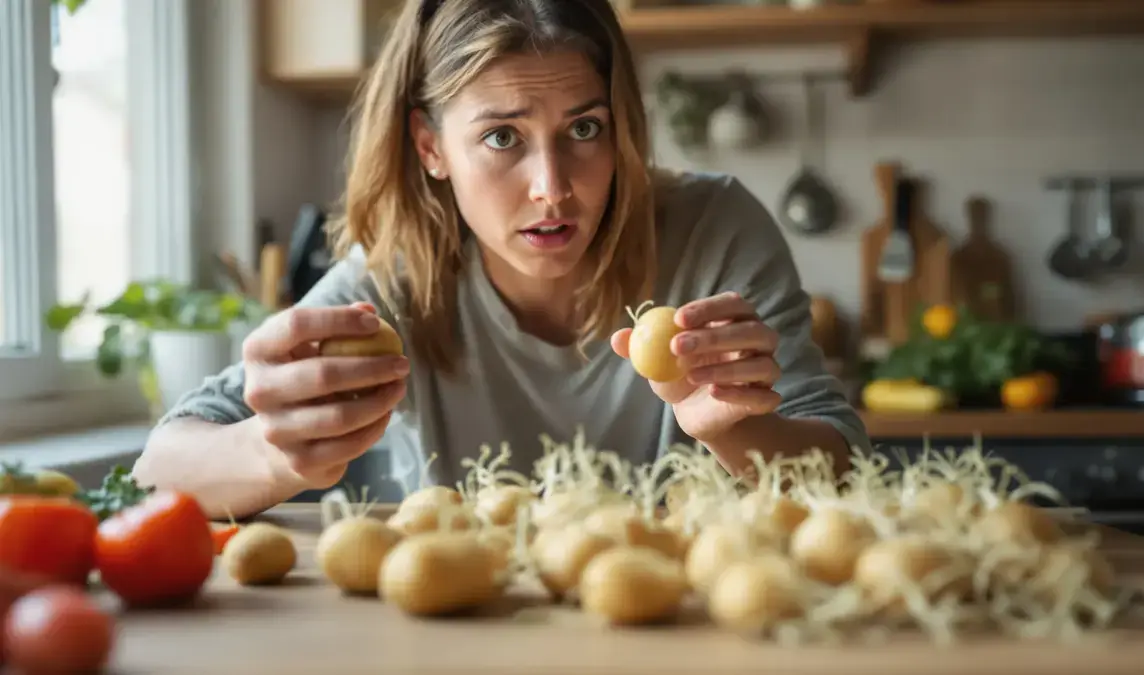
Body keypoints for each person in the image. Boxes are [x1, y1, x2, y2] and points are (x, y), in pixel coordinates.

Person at [132, 0, 870, 519]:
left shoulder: (714, 232)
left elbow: (849, 475)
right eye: (502, 138)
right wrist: (276, 450)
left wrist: (733, 428)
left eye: (585, 128)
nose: (553, 188)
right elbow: (157, 469)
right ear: (431, 147)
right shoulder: (396, 277)